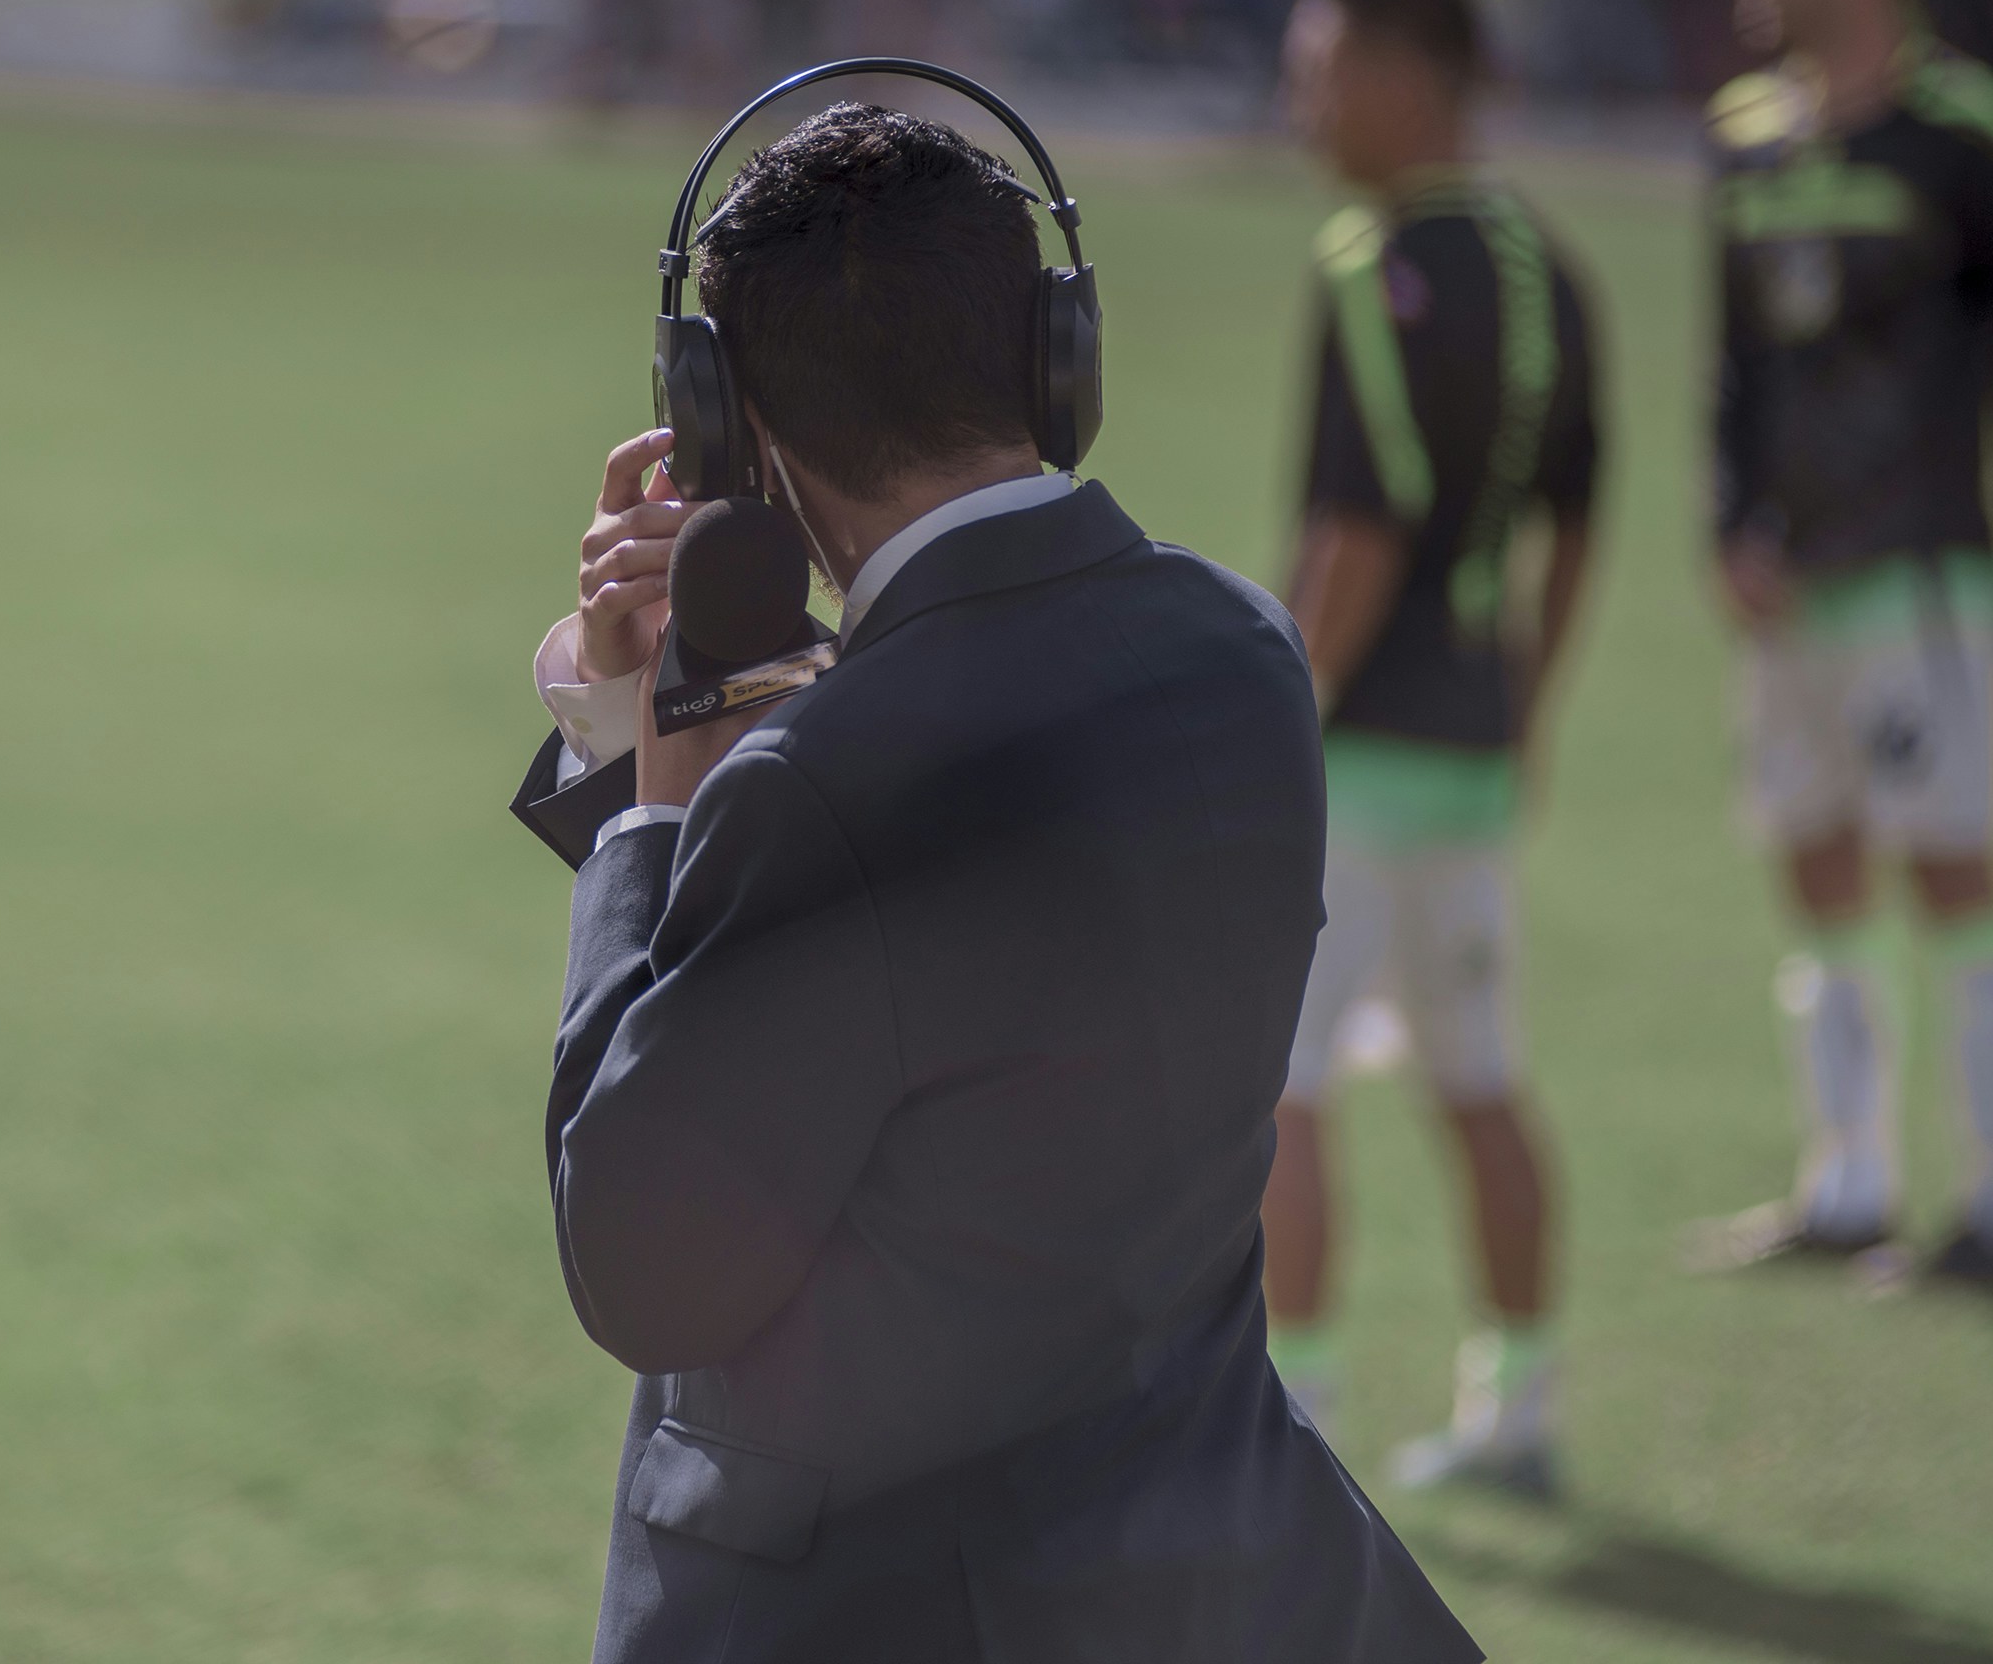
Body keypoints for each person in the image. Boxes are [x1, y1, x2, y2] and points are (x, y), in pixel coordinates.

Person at [517, 102, 1475, 1661]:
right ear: (1053, 352)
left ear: (725, 420)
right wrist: (733, 723)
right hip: (1212, 1583)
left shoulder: (815, 777)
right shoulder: (1245, 658)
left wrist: (658, 783)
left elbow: (644, 1259)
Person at [1260, 0, 1602, 1497]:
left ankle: (1297, 1416)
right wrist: (1525, 706)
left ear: (1412, 77)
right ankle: (1520, 1407)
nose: (1302, 99)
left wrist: (1274, 711)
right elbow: (1576, 522)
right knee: (1481, 1078)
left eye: (1321, 67)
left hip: (1358, 751)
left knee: (1283, 1088)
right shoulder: (1547, 267)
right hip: (1471, 747)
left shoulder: (1364, 266)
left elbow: (1362, 531)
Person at [1691, 0, 1993, 1289]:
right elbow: (1734, 369)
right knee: (1814, 864)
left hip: (1924, 577)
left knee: (1955, 872)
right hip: (1787, 588)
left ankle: (1989, 1199)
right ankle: (1849, 1182)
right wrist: (1728, 522)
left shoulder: (1962, 132)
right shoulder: (1744, 134)